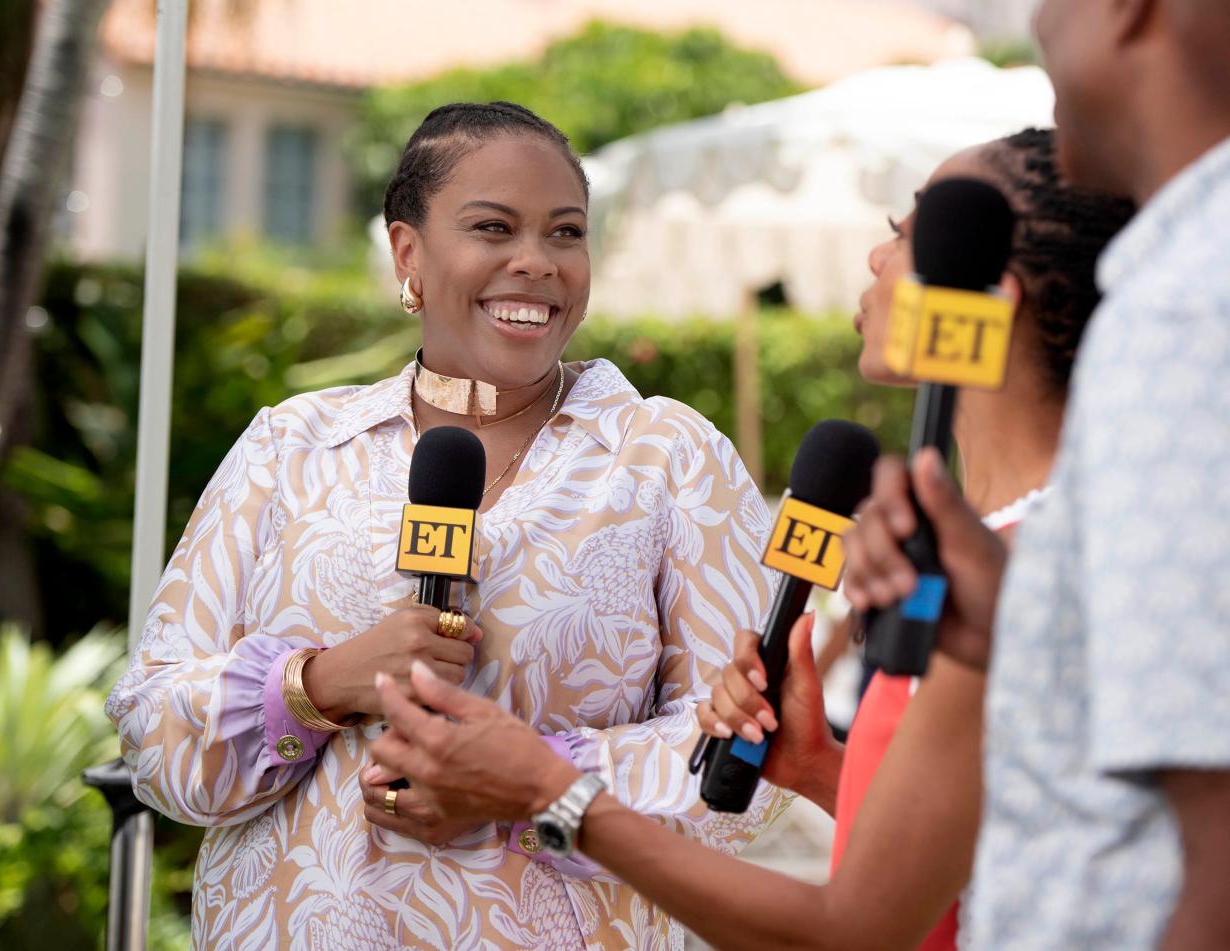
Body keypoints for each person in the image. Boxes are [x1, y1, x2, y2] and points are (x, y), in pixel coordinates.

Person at [363, 128, 1134, 950]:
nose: (877, 260)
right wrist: (814, 766)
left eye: (906, 234)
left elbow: (849, 930)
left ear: (989, 298)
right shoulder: (1045, 545)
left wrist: (546, 788)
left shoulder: (1013, 579)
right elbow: (995, 860)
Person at [106, 101, 788, 949]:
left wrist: (524, 789)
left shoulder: (666, 459)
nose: (535, 262)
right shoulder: (293, 445)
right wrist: (320, 683)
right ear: (408, 253)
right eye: (493, 228)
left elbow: (749, 765)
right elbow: (153, 727)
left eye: (566, 234)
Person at [841, 1, 1230, 947]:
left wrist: (557, 793)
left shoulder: (1183, 313)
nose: (1039, 22)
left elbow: (1205, 845)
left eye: (910, 231)